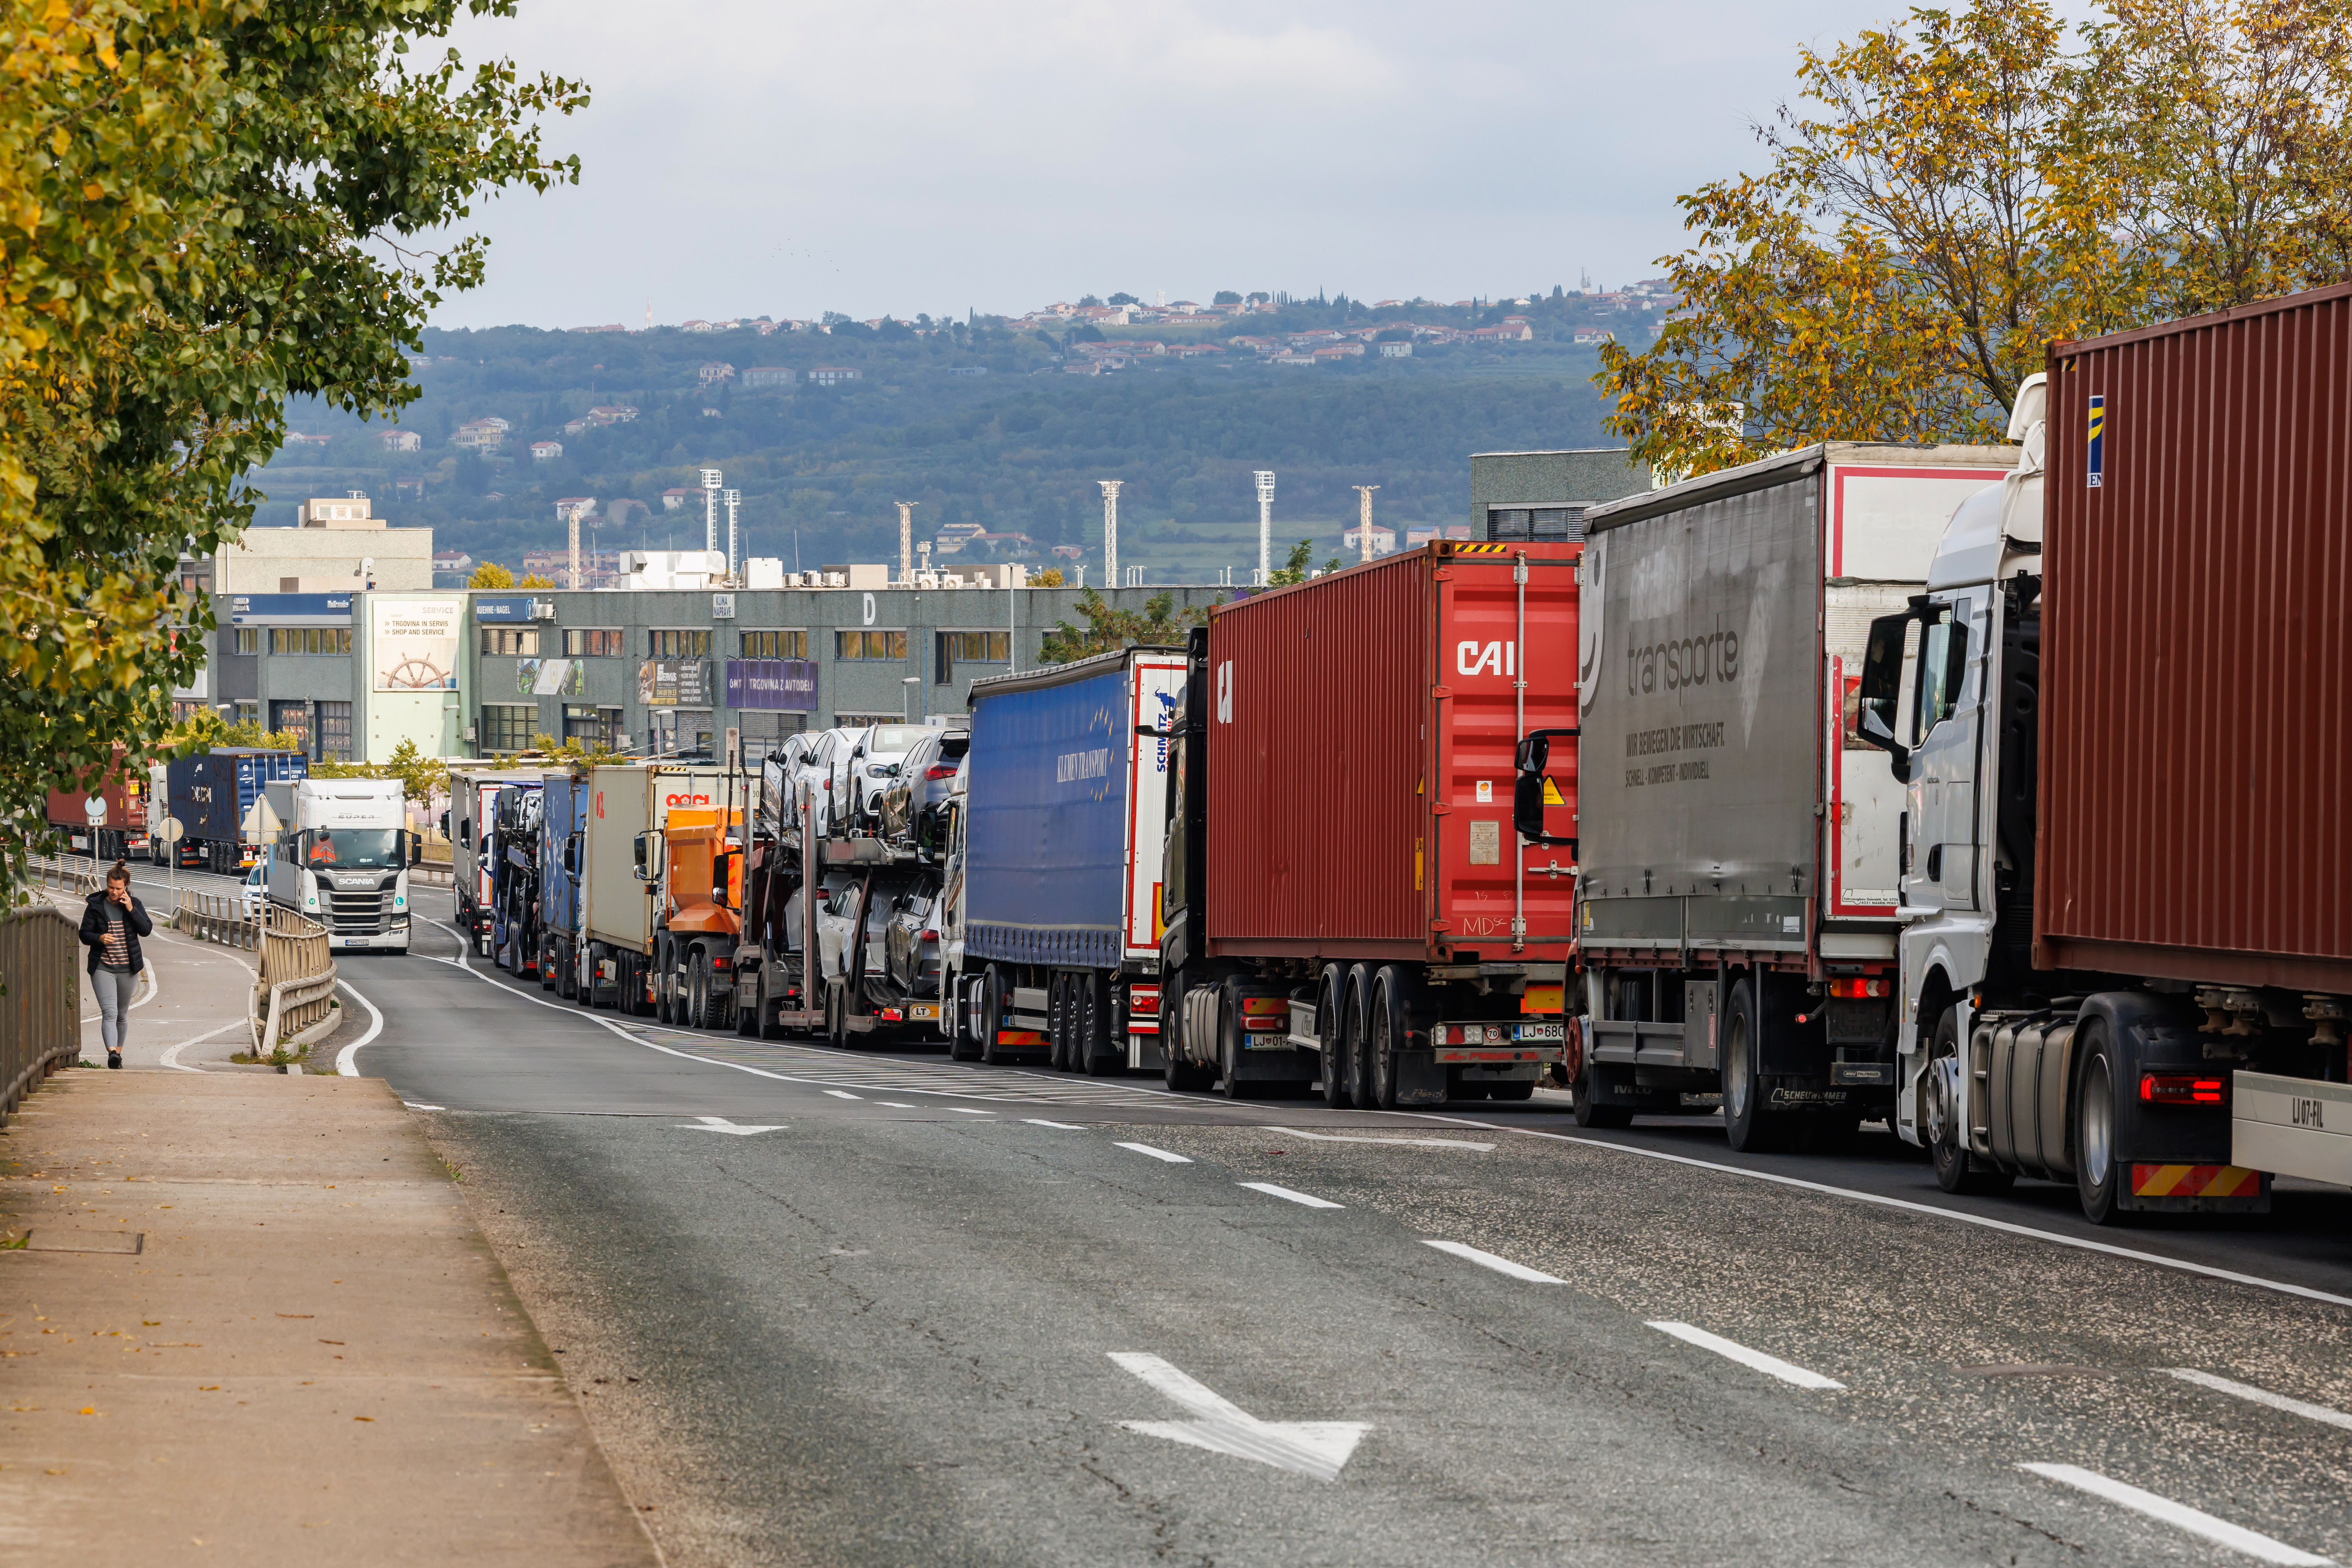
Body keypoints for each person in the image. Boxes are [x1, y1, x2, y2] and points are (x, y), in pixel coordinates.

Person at [78, 862, 151, 1070]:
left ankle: (118, 1055)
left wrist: (130, 908)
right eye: (111, 887)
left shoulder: (134, 904)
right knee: (109, 1013)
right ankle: (111, 1052)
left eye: (119, 888)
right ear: (107, 884)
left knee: (121, 1015)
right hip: (103, 968)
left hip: (128, 970)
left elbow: (146, 930)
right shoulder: (96, 906)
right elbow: (84, 934)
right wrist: (100, 937)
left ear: (126, 886)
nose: (114, 892)